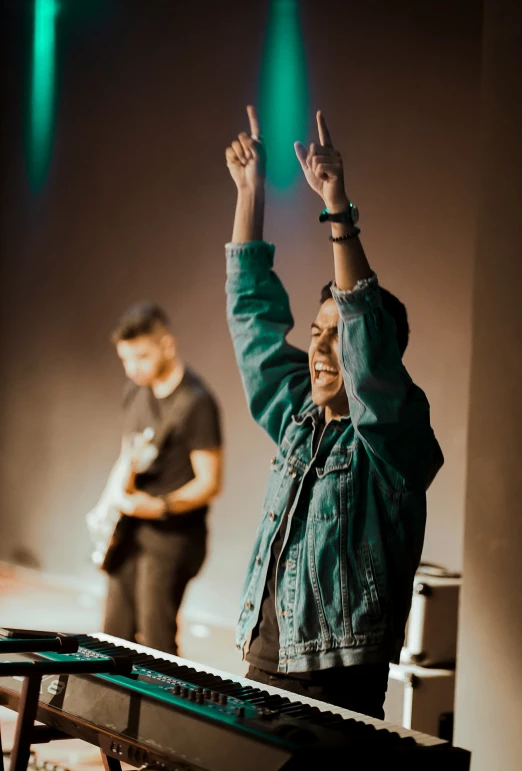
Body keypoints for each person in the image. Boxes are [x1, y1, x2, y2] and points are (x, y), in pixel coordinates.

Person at [224, 106, 443, 718]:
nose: (319, 349)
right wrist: (251, 196)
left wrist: (336, 206)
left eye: (335, 336)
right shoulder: (300, 420)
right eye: (316, 333)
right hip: (265, 658)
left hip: (334, 682)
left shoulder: (394, 444)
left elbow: (365, 342)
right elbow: (255, 328)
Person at [92, 301, 223, 654]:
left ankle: (163, 709)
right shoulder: (135, 391)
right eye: (126, 359)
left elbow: (210, 482)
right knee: (112, 636)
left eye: (142, 357)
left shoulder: (196, 403)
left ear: (167, 345)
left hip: (173, 537)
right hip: (132, 530)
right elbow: (128, 456)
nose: (133, 368)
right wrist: (106, 506)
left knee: (155, 641)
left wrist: (159, 506)